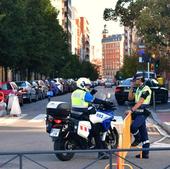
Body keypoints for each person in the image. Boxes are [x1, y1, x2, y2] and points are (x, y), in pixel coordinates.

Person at [71, 77, 112, 160]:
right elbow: (94, 100)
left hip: (74, 114)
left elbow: (82, 102)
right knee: (96, 131)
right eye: (87, 85)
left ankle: (88, 142)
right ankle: (101, 153)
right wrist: (105, 102)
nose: (88, 87)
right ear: (82, 85)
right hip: (83, 115)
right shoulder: (84, 93)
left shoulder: (74, 92)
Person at [128, 73, 152, 159]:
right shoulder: (138, 88)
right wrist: (131, 88)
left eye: (135, 80)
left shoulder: (146, 89)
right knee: (143, 133)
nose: (134, 81)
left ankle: (138, 139)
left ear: (140, 80)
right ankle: (145, 153)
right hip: (138, 113)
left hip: (143, 112)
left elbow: (140, 102)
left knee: (133, 127)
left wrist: (131, 110)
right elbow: (130, 98)